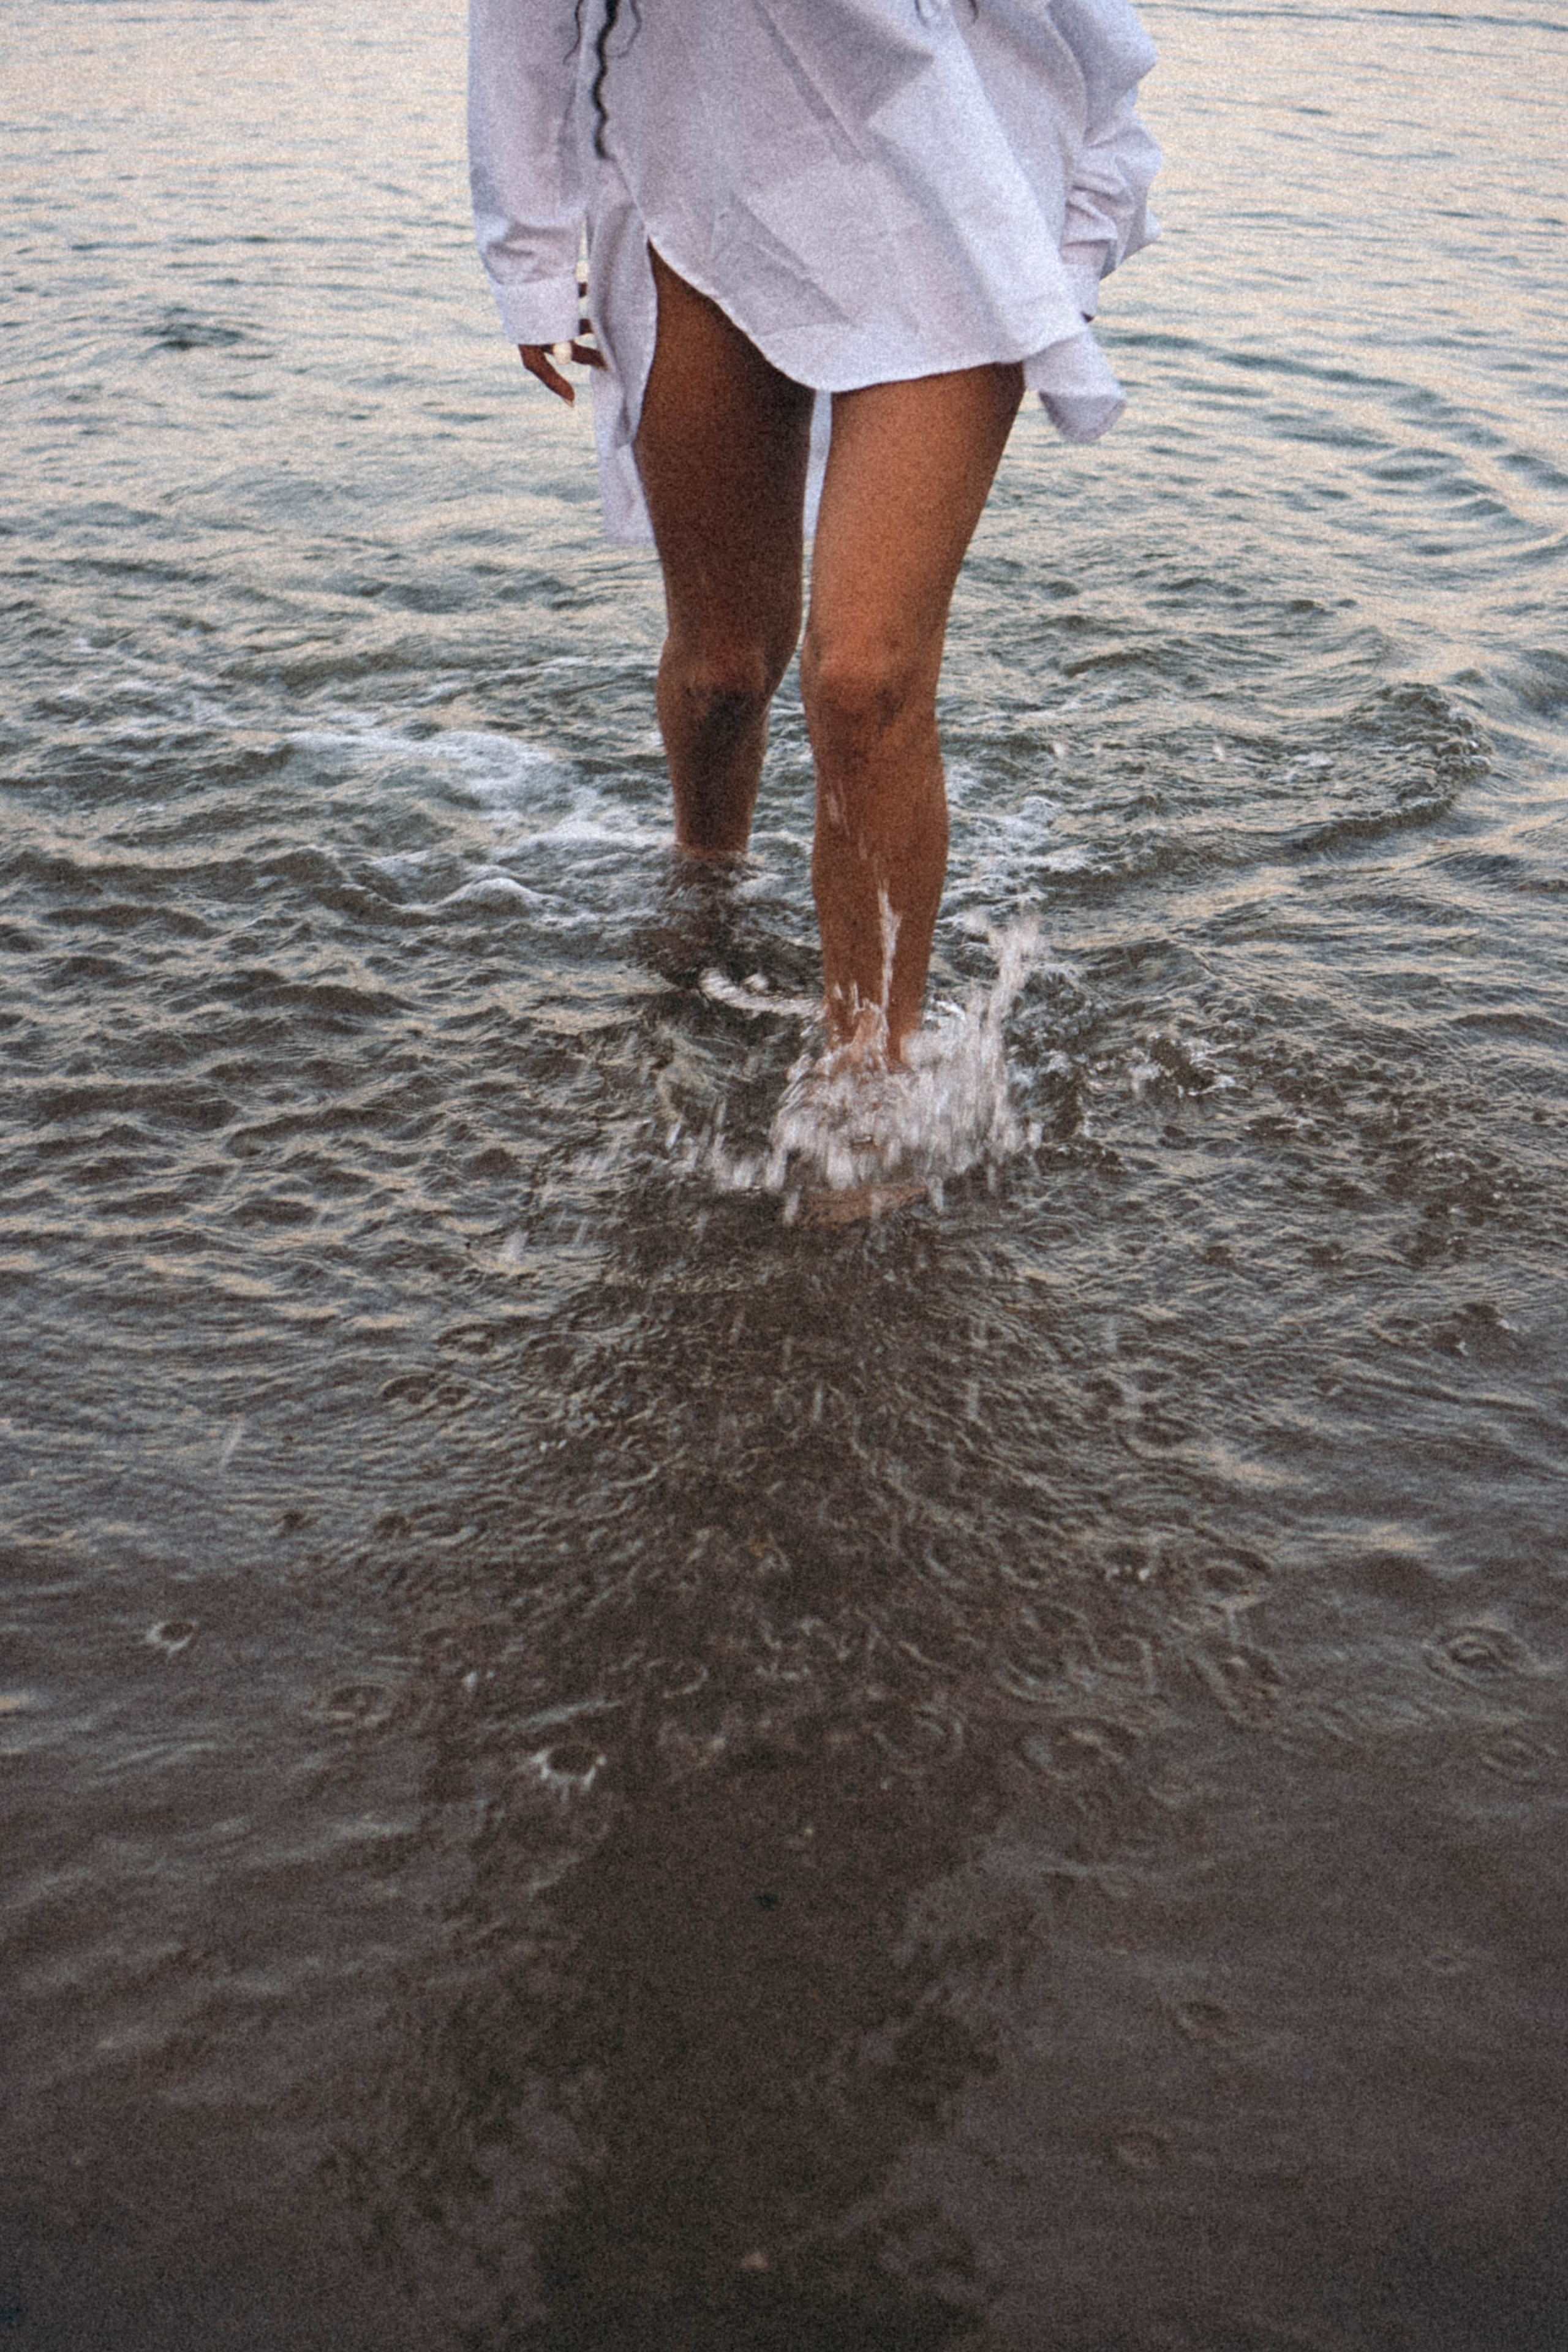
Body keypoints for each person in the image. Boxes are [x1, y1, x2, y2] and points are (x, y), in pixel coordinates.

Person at [469, 0, 1159, 1067]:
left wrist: (1083, 221)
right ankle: (707, 890)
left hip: (953, 178)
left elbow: (1089, 25)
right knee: (722, 673)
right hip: (691, 178)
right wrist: (529, 249)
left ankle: (869, 1088)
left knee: (865, 681)